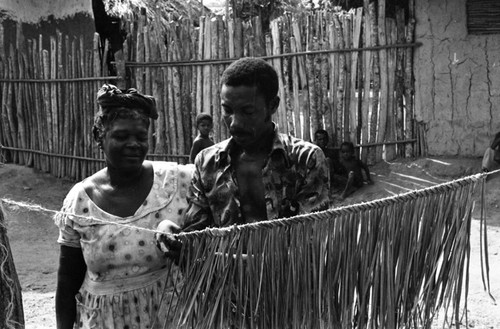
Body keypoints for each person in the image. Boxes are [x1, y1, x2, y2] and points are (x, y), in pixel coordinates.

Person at [54, 84, 193, 329]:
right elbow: (67, 281)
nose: (133, 144)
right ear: (100, 136)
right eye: (121, 136)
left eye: (141, 137)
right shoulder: (80, 201)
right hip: (104, 321)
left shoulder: (178, 182)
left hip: (168, 316)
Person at [180, 57, 330, 232]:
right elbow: (196, 233)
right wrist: (174, 236)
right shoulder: (206, 163)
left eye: (248, 111)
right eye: (227, 110)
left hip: (286, 260)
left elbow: (310, 237)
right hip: (223, 260)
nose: (234, 123)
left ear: (273, 105)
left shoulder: (306, 159)